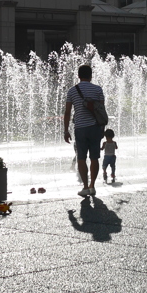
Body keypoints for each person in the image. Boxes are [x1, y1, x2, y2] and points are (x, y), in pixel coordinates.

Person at [63, 64, 105, 197]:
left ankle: (85, 187)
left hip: (80, 128)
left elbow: (67, 112)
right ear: (91, 75)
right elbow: (101, 110)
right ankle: (92, 186)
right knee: (94, 158)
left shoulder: (72, 91)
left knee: (81, 158)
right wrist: (102, 128)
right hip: (95, 127)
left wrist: (66, 130)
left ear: (78, 76)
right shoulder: (97, 89)